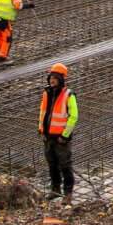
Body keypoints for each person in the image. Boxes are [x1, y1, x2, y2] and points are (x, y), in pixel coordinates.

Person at [38, 62, 78, 202]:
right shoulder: (46, 93)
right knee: (52, 164)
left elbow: (74, 117)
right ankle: (55, 189)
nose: (52, 80)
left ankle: (68, 193)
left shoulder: (69, 95)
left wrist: (65, 135)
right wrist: (41, 129)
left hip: (61, 139)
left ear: (61, 79)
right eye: (51, 77)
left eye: (55, 77)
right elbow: (42, 112)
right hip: (48, 136)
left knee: (65, 164)